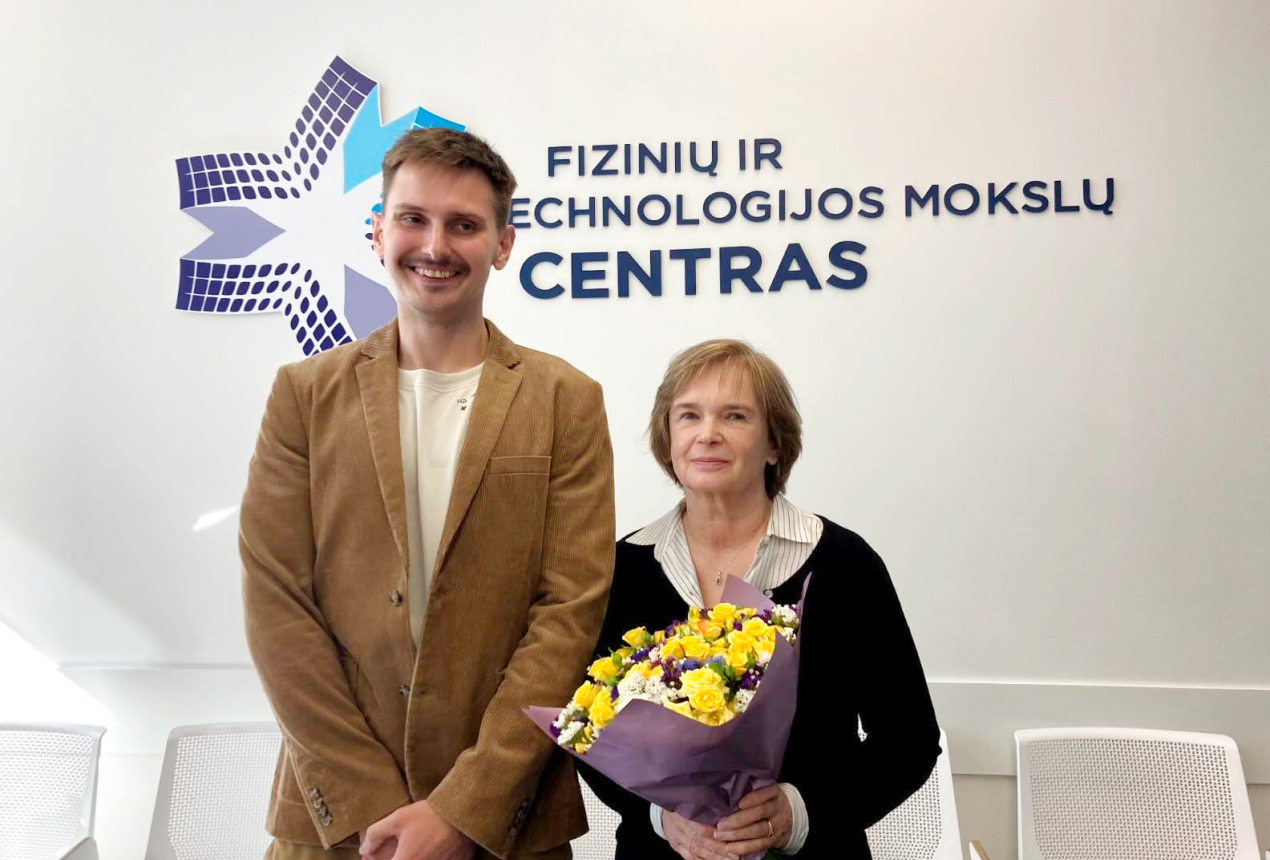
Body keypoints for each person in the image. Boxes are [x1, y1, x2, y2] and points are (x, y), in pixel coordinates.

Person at [241, 128, 616, 860]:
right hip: (336, 828)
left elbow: (569, 614)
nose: (435, 246)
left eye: (464, 225)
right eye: (413, 219)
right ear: (378, 232)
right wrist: (371, 802)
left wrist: (463, 808)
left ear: (503, 244)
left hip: (503, 827)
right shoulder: (303, 396)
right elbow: (276, 603)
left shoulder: (566, 399)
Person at [580, 339, 939, 860]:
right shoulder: (622, 568)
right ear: (668, 440)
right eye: (689, 416)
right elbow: (592, 731)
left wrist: (798, 812)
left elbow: (908, 742)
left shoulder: (844, 563)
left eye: (735, 416)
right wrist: (660, 815)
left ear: (774, 444)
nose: (708, 434)